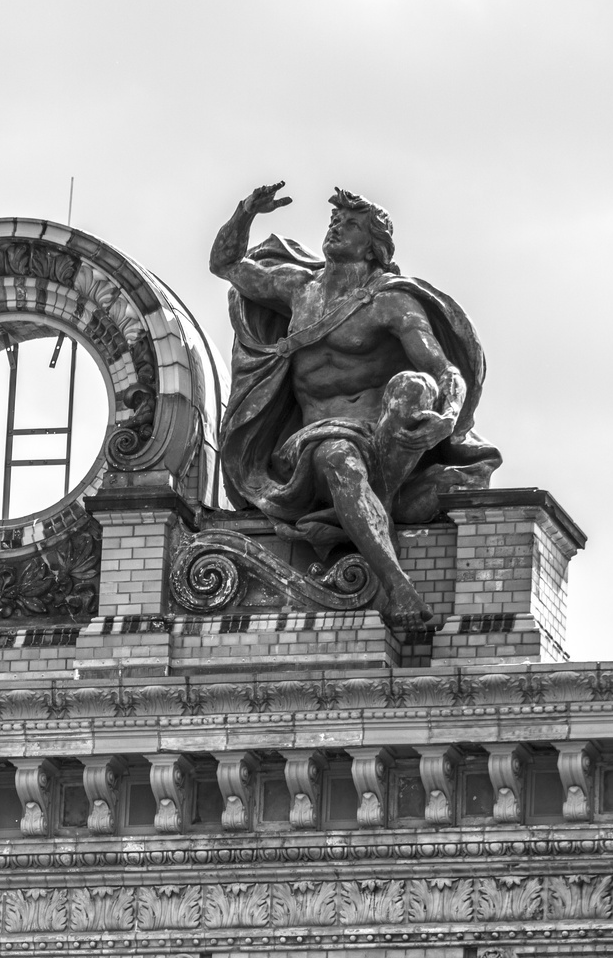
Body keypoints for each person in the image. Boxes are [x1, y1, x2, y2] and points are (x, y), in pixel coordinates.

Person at [209, 183, 501, 630]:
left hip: (380, 441)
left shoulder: (390, 303)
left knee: (413, 384)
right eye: (334, 221)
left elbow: (446, 373)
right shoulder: (297, 288)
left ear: (374, 245)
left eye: (350, 224)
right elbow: (225, 264)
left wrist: (447, 418)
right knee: (337, 456)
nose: (337, 228)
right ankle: (397, 585)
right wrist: (246, 211)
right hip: (309, 449)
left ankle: (373, 512)